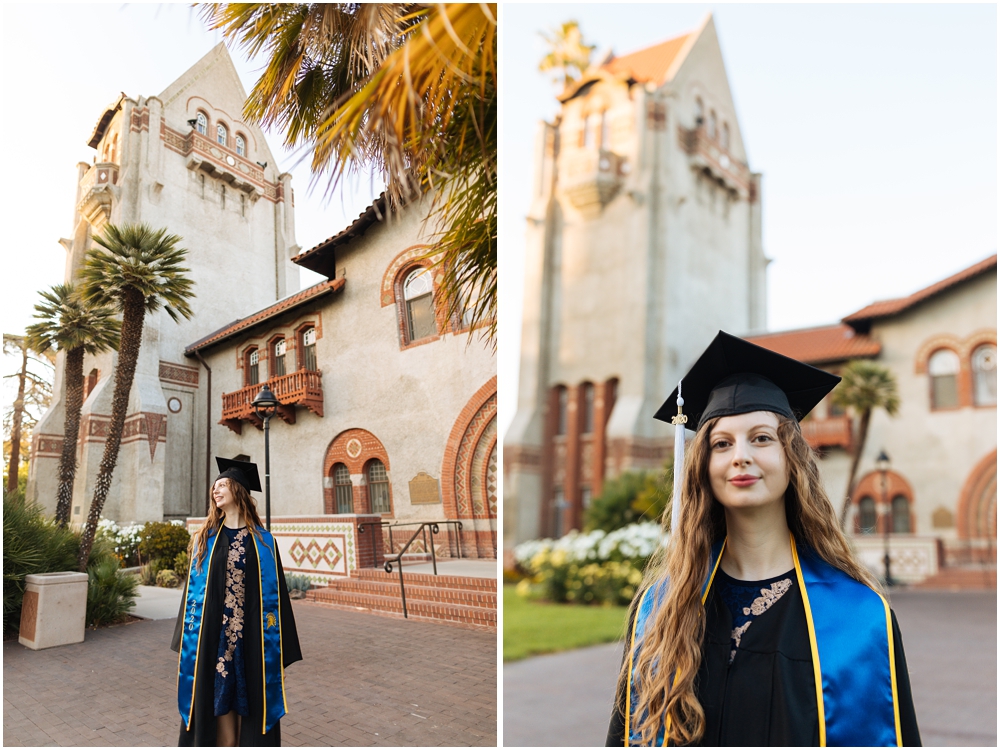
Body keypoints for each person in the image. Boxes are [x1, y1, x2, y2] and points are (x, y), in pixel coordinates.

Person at [606, 332, 921, 747]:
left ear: (792, 458)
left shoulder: (859, 618)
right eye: (722, 443)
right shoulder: (660, 609)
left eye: (761, 438)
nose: (740, 455)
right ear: (703, 465)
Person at [171, 457, 302, 746]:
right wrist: (185, 637)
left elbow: (276, 595)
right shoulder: (206, 538)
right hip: (212, 638)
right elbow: (192, 593)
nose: (215, 491)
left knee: (249, 695)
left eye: (222, 485)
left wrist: (282, 645)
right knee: (213, 696)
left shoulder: (264, 542)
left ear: (239, 490)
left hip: (249, 639)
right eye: (214, 487)